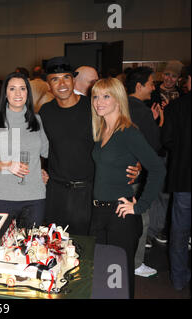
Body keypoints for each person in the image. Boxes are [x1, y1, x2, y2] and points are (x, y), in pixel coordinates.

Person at [39, 57, 139, 236]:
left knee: (89, 246)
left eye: (66, 78)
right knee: (57, 245)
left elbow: (119, 133)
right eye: (55, 79)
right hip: (57, 193)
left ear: (73, 81)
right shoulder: (45, 112)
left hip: (89, 192)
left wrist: (135, 162)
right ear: (48, 85)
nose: (62, 84)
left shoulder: (93, 107)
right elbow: (37, 145)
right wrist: (39, 168)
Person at [89, 77, 166, 298]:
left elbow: (158, 169)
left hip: (120, 214)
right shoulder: (102, 130)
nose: (99, 102)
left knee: (119, 278)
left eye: (106, 96)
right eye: (95, 96)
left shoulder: (128, 132)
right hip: (99, 212)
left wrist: (139, 206)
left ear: (118, 99)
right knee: (102, 275)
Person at [0, 72, 49, 227]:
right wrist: (7, 165)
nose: (18, 93)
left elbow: (45, 151)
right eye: (12, 89)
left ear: (27, 93)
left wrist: (44, 170)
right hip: (4, 197)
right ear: (5, 93)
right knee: (5, 245)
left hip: (35, 196)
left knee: (33, 245)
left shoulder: (37, 120)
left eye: (22, 88)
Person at [125, 66, 163, 277]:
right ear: (139, 86)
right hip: (135, 176)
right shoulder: (142, 111)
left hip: (118, 175)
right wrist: (157, 122)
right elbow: (154, 146)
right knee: (141, 219)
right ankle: (136, 263)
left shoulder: (120, 106)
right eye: (151, 83)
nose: (153, 87)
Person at [162, 66, 191, 291]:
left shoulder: (176, 107)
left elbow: (168, 141)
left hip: (184, 178)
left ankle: (179, 279)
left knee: (179, 232)